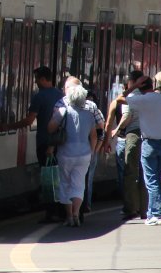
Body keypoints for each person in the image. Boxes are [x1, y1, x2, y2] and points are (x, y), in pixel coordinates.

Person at [114, 75, 161, 225]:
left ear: (141, 87)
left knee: (151, 180)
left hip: (149, 143)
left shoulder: (142, 100)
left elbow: (119, 99)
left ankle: (158, 214)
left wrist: (133, 86)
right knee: (155, 178)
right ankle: (151, 213)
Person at [6, 66, 64, 222]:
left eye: (37, 79)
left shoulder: (40, 96)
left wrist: (8, 126)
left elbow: (29, 120)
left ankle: (51, 212)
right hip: (59, 143)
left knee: (47, 179)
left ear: (44, 79)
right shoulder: (61, 95)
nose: (36, 82)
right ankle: (61, 209)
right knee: (58, 177)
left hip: (44, 142)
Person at [48, 79, 97, 227]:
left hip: (65, 153)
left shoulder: (62, 111)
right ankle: (76, 213)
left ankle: (68, 216)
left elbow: (50, 129)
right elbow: (93, 136)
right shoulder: (89, 114)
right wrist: (92, 151)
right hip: (84, 154)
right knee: (79, 185)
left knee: (65, 184)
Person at [107, 70, 144, 220]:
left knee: (130, 173)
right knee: (144, 174)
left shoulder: (132, 97)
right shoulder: (148, 96)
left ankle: (131, 207)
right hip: (147, 134)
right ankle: (144, 207)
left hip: (133, 134)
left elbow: (125, 113)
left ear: (132, 82)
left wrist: (117, 130)